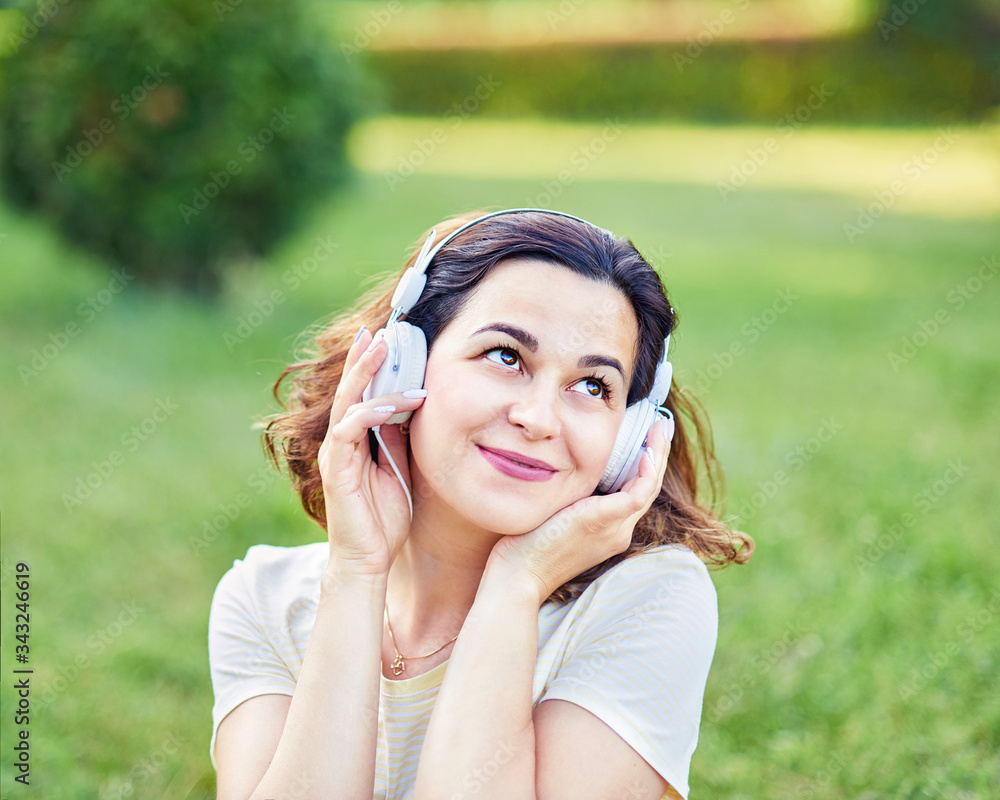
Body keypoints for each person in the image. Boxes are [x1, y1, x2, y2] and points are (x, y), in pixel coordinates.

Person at [208, 208, 753, 800]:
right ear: (401, 367)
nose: (539, 419)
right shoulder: (263, 600)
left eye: (592, 386)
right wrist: (356, 575)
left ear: (629, 435)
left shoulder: (648, 600)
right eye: (506, 356)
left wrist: (517, 584)